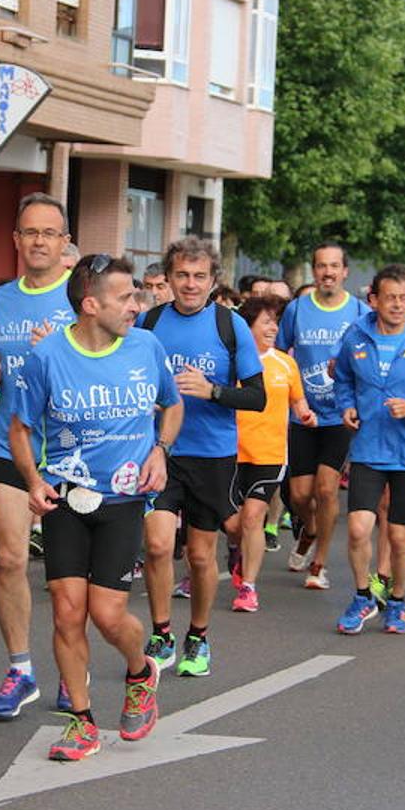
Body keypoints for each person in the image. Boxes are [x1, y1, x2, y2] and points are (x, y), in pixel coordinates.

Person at [12, 254, 182, 760]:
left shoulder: (147, 347)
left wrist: (160, 450)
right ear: (90, 304)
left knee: (108, 615)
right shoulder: (46, 358)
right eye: (126, 297)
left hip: (125, 497)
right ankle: (82, 721)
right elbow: (20, 427)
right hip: (66, 496)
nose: (137, 305)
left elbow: (172, 404)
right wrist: (32, 480)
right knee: (67, 613)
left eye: (136, 295)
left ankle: (139, 669)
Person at [139, 237, 265, 677]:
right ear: (168, 279)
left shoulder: (231, 326)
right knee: (156, 545)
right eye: (181, 276)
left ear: (213, 281)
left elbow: (257, 396)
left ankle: (198, 635)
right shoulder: (149, 321)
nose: (190, 285)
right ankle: (160, 632)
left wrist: (212, 391)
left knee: (199, 554)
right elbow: (127, 375)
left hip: (212, 454)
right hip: (160, 451)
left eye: (199, 276)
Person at [0, 192, 78, 718]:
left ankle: (72, 668)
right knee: (11, 559)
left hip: (72, 451)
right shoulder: (2, 298)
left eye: (49, 233)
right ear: (16, 240)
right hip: (10, 440)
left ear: (64, 243)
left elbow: (105, 359)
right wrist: (0, 371)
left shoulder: (82, 294)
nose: (39, 241)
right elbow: (3, 356)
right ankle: (20, 670)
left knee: (66, 575)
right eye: (29, 233)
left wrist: (58, 349)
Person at [332, 265, 405, 635]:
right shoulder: (356, 336)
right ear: (374, 300)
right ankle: (363, 595)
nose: (398, 305)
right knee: (357, 528)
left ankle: (397, 602)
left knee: (400, 536)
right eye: (391, 298)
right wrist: (346, 405)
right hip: (368, 448)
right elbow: (343, 379)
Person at [277, 242, 370, 589]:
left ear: (345, 271)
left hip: (340, 415)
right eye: (321, 266)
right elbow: (281, 357)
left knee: (327, 489)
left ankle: (319, 563)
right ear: (313, 270)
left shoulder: (359, 312)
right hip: (302, 413)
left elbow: (368, 359)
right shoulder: (297, 310)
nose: (328, 272)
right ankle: (310, 529)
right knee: (300, 495)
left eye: (334, 266)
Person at [226, 295, 315, 612]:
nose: (273, 328)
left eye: (275, 322)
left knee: (252, 518)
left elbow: (298, 403)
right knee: (234, 524)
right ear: (247, 326)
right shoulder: (231, 361)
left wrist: (306, 415)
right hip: (231, 453)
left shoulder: (285, 363)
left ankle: (249, 587)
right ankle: (237, 553)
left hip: (270, 453)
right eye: (266, 321)